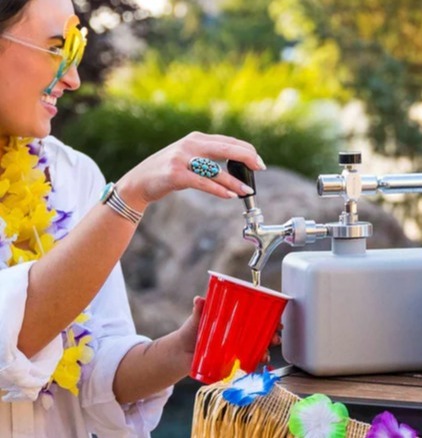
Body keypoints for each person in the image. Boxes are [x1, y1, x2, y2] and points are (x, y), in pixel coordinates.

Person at [0, 0, 278, 436]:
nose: (71, 78)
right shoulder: (111, 196)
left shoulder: (74, 175)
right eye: (58, 48)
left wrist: (184, 348)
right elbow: (13, 338)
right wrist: (130, 196)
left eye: (76, 51)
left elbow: (92, 370)